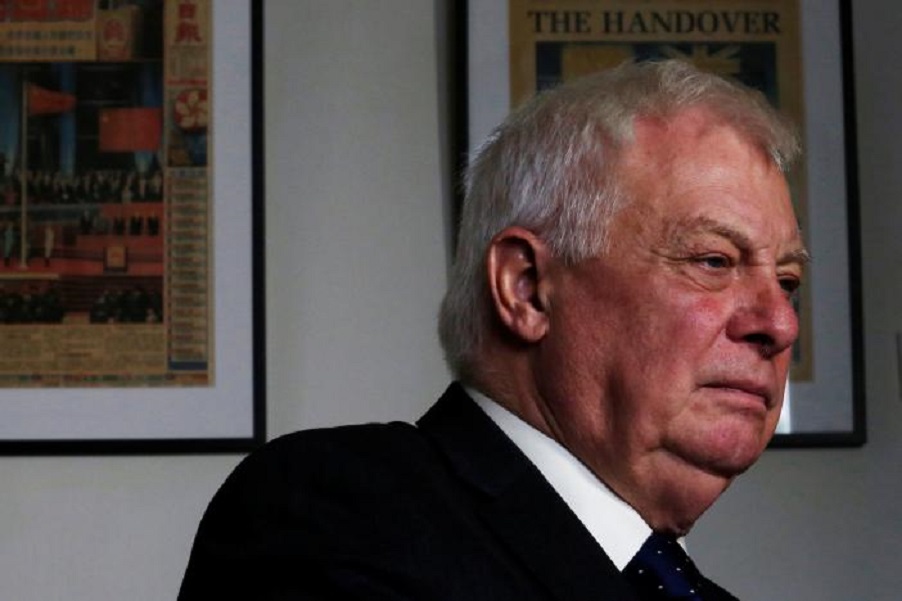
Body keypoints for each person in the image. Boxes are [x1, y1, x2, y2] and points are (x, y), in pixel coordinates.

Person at [178, 60, 806, 600]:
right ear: (527, 288)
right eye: (713, 261)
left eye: (787, 281)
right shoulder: (335, 512)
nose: (778, 323)